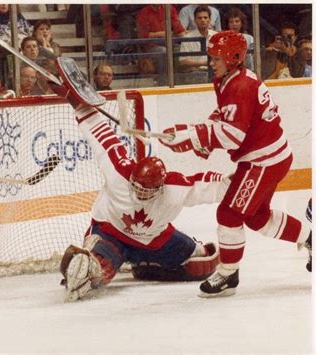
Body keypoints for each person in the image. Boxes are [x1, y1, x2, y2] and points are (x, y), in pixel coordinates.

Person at [47, 69, 224, 302]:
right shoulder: (119, 170)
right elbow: (99, 132)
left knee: (199, 261)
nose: (139, 192)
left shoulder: (174, 188)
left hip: (154, 238)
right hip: (111, 231)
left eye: (145, 190)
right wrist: (74, 100)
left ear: (159, 188)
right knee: (99, 266)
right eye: (137, 186)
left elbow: (211, 185)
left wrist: (248, 182)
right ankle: (87, 269)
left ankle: (144, 263)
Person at [158, 31, 312, 298]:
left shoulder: (240, 86)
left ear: (232, 57)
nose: (211, 63)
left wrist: (195, 137)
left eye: (216, 58)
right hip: (268, 158)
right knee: (257, 218)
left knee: (229, 215)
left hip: (262, 161)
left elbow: (232, 136)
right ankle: (310, 238)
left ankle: (229, 274)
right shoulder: (231, 79)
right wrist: (199, 134)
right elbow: (225, 117)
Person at [136, 5, 186, 86]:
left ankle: (181, 81)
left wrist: (183, 35)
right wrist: (160, 34)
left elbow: (179, 29)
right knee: (162, 51)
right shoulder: (143, 12)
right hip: (151, 47)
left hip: (171, 43)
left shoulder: (169, 8)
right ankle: (163, 83)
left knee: (181, 49)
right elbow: (142, 35)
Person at [178, 6, 217, 83]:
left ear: (209, 20)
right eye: (199, 18)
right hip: (194, 74)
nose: (203, 20)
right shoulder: (187, 37)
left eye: (205, 17)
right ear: (195, 20)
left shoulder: (217, 36)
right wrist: (204, 63)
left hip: (214, 72)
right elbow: (183, 61)